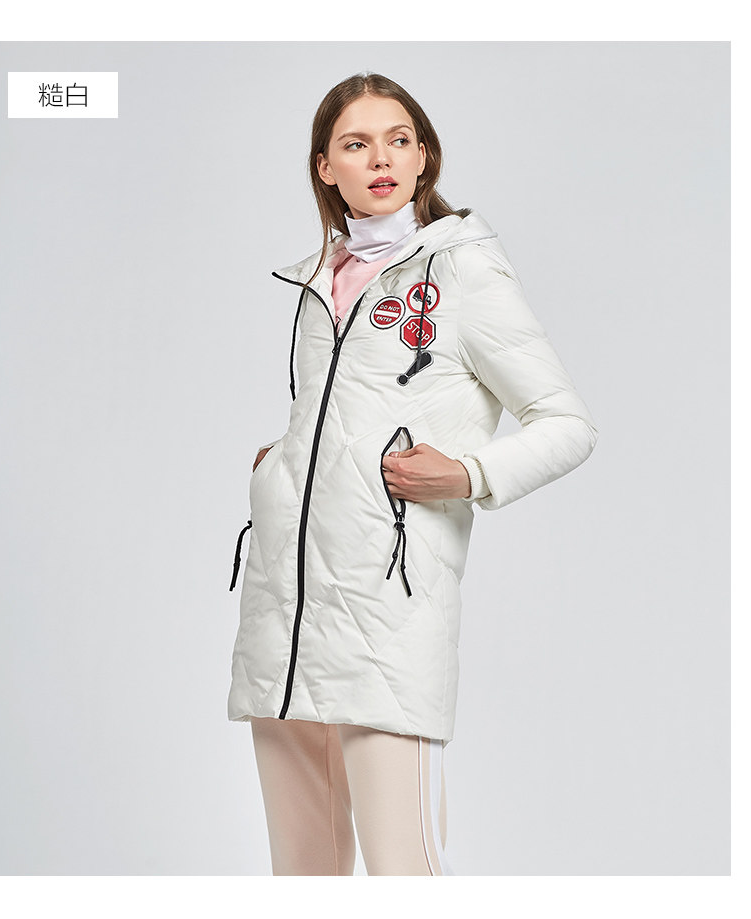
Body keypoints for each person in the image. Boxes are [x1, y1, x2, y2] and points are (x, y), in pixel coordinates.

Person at [226, 72, 598, 876]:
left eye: (399, 140)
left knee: (407, 872)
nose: (381, 159)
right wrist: (288, 458)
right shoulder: (317, 278)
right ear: (325, 166)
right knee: (301, 873)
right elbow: (350, 410)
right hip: (283, 621)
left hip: (386, 624)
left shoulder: (463, 272)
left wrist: (466, 472)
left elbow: (567, 424)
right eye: (356, 144)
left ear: (424, 155)